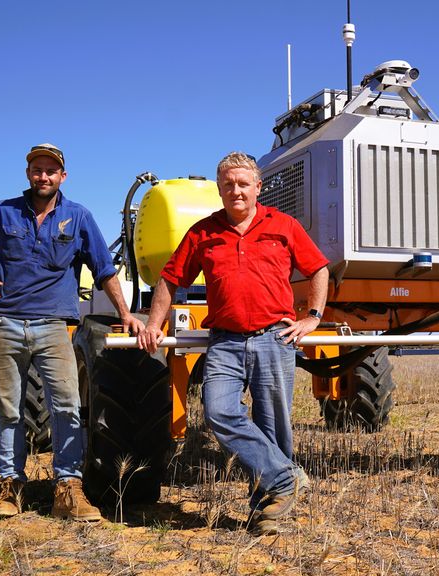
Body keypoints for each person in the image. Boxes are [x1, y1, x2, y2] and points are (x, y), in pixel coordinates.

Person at [138, 151, 328, 535]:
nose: (236, 191)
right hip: (224, 341)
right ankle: (287, 476)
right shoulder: (202, 232)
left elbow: (318, 268)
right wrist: (154, 324)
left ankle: (267, 512)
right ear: (220, 190)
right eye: (228, 185)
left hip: (274, 337)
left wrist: (313, 317)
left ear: (258, 187)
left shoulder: (284, 225)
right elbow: (170, 279)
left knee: (273, 427)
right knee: (218, 412)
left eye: (243, 184)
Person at [0, 143, 144, 521]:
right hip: (6, 323)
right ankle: (11, 487)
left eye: (50, 171)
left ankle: (68, 488)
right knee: (9, 410)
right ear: (29, 173)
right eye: (37, 170)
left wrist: (125, 313)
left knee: (66, 407)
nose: (43, 176)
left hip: (53, 325)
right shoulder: (3, 211)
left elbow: (104, 268)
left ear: (62, 176)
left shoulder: (78, 217)